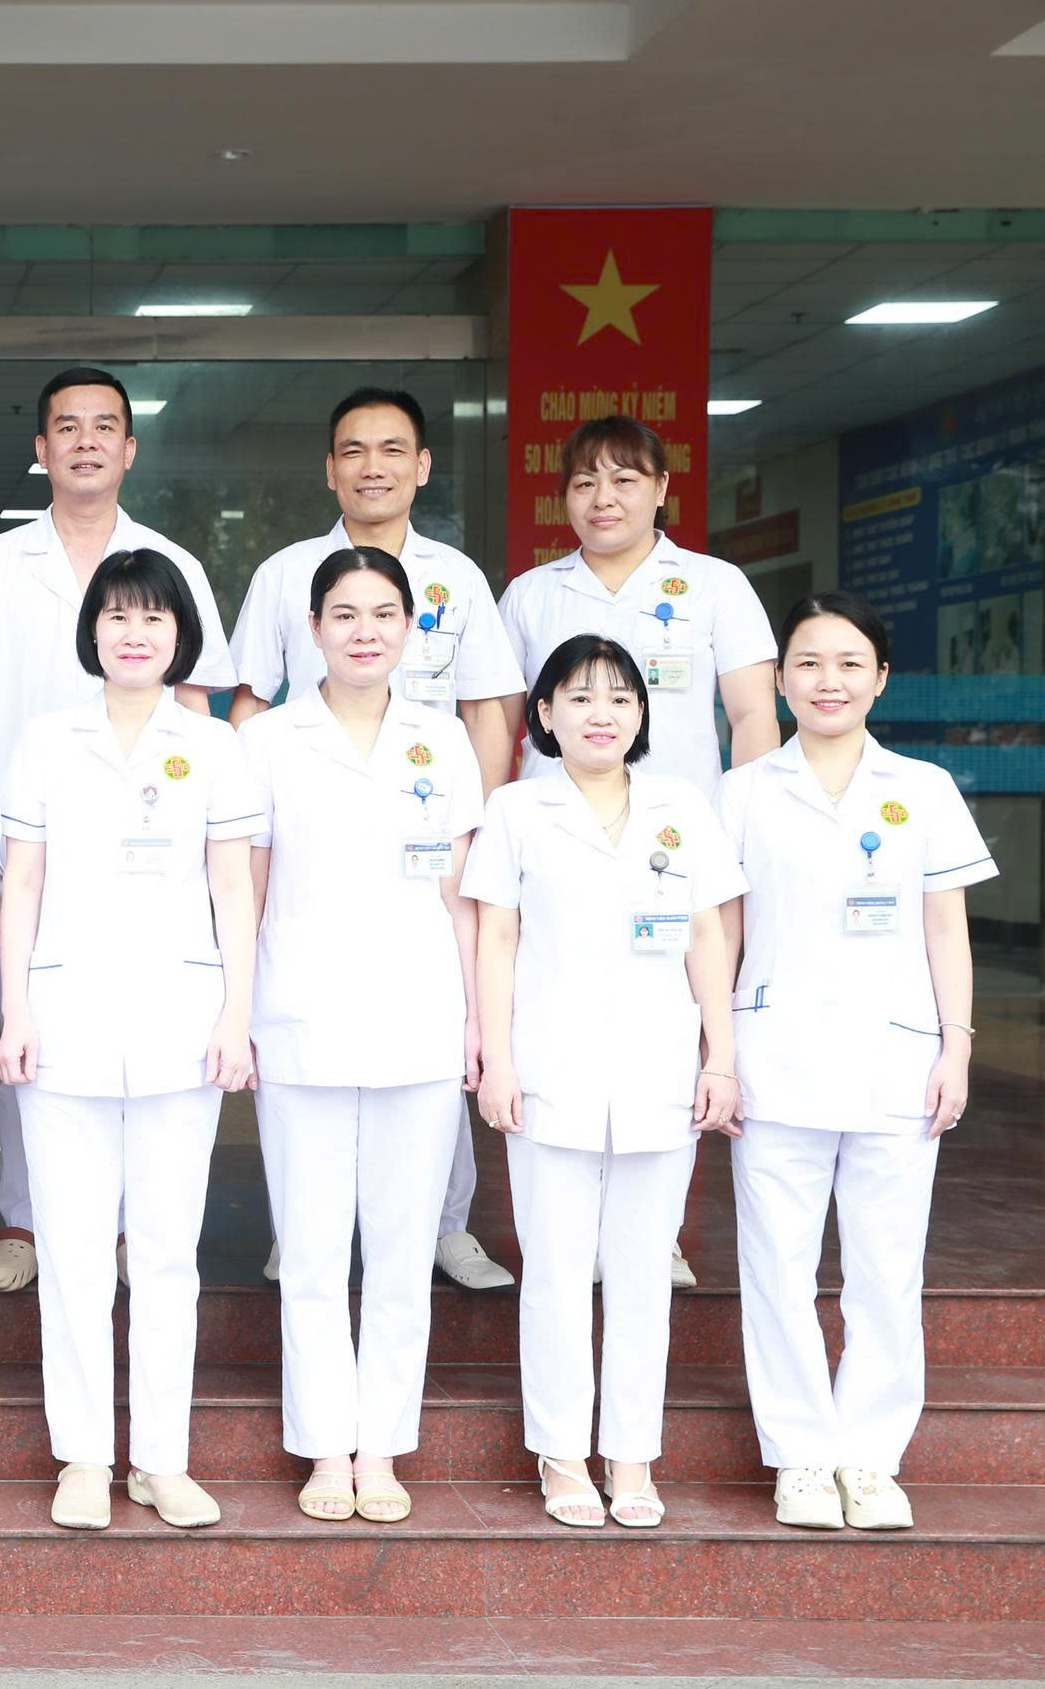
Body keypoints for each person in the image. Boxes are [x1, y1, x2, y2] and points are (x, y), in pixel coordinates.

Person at [0, 366, 237, 1295]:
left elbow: (196, 696)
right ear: (40, 449)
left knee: (139, 1038)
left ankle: (125, 1231)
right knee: (36, 1027)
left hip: (154, 831)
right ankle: (28, 1223)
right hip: (25, 831)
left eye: (104, 426)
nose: (84, 441)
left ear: (130, 448)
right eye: (65, 426)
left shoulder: (173, 563)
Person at [226, 388, 523, 1292]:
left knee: (436, 1070)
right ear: (330, 468)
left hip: (427, 819)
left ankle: (447, 1225)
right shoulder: (285, 573)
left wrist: (469, 830)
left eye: (394, 449)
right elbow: (247, 697)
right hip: (309, 821)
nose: (373, 466)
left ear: (423, 466)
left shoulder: (458, 577)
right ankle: (299, 1232)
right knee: (313, 1110)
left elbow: (490, 710)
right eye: (353, 450)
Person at [717, 592, 996, 1532]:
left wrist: (957, 1044)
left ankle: (871, 1459)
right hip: (775, 1057)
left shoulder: (924, 787)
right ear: (781, 679)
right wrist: (716, 1049)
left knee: (885, 1268)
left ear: (880, 677)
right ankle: (801, 1457)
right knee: (778, 1267)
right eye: (807, 663)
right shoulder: (743, 789)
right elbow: (721, 930)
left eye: (847, 663)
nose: (826, 681)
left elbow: (945, 929)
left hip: (897, 1060)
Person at [0, 548, 260, 1532]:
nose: (135, 633)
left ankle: (161, 1457)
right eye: (116, 617)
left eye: (153, 617)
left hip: (181, 1024)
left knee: (163, 1255)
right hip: (63, 1018)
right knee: (69, 1251)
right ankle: (82, 1457)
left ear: (179, 632)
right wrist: (14, 1010)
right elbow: (18, 882)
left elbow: (232, 887)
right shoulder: (45, 740)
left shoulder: (215, 744)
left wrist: (235, 1014)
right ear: (92, 632)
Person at [464, 634, 743, 1530]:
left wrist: (721, 1055)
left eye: (620, 698)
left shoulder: (682, 806)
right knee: (552, 1271)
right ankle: (560, 1452)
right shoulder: (515, 810)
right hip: (551, 1067)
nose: (602, 713)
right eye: (579, 697)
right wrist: (498, 1058)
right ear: (543, 715)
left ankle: (632, 1454)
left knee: (640, 1276)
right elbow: (496, 938)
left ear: (642, 714)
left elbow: (709, 937)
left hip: (662, 1067)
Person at [498, 414, 776, 1291]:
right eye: (584, 482)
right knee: (562, 1022)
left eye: (624, 479)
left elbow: (755, 718)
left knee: (688, 1030)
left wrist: (748, 836)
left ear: (663, 488)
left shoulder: (714, 585)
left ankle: (661, 1234)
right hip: (563, 840)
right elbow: (507, 725)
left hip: (686, 850)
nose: (603, 497)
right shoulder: (533, 596)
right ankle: (566, 1236)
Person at [241, 546, 481, 1525]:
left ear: (412, 628)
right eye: (345, 614)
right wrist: (234, 1008)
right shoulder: (267, 740)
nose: (366, 630)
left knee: (397, 1244)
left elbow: (463, 894)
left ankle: (380, 1444)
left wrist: (476, 1022)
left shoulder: (443, 741)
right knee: (307, 1248)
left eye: (386, 613)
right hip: (298, 1014)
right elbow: (243, 890)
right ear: (314, 628)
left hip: (421, 1016)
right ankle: (324, 1448)